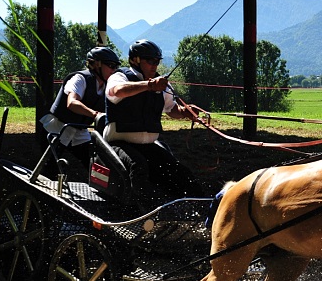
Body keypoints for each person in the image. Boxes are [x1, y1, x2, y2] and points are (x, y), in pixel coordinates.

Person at [103, 39, 205, 209]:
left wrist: (185, 112)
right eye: (150, 61)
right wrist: (149, 86)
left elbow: (171, 109)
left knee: (179, 171)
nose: (154, 66)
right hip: (118, 145)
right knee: (138, 167)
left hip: (148, 146)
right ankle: (140, 213)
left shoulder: (161, 84)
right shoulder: (119, 76)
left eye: (157, 62)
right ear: (135, 60)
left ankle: (197, 211)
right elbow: (118, 91)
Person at [40, 46, 119, 166]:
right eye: (111, 65)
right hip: (56, 128)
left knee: (94, 165)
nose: (114, 70)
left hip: (80, 132)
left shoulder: (107, 86)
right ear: (97, 64)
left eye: (116, 67)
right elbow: (71, 103)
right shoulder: (80, 79)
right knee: (48, 168)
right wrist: (95, 114)